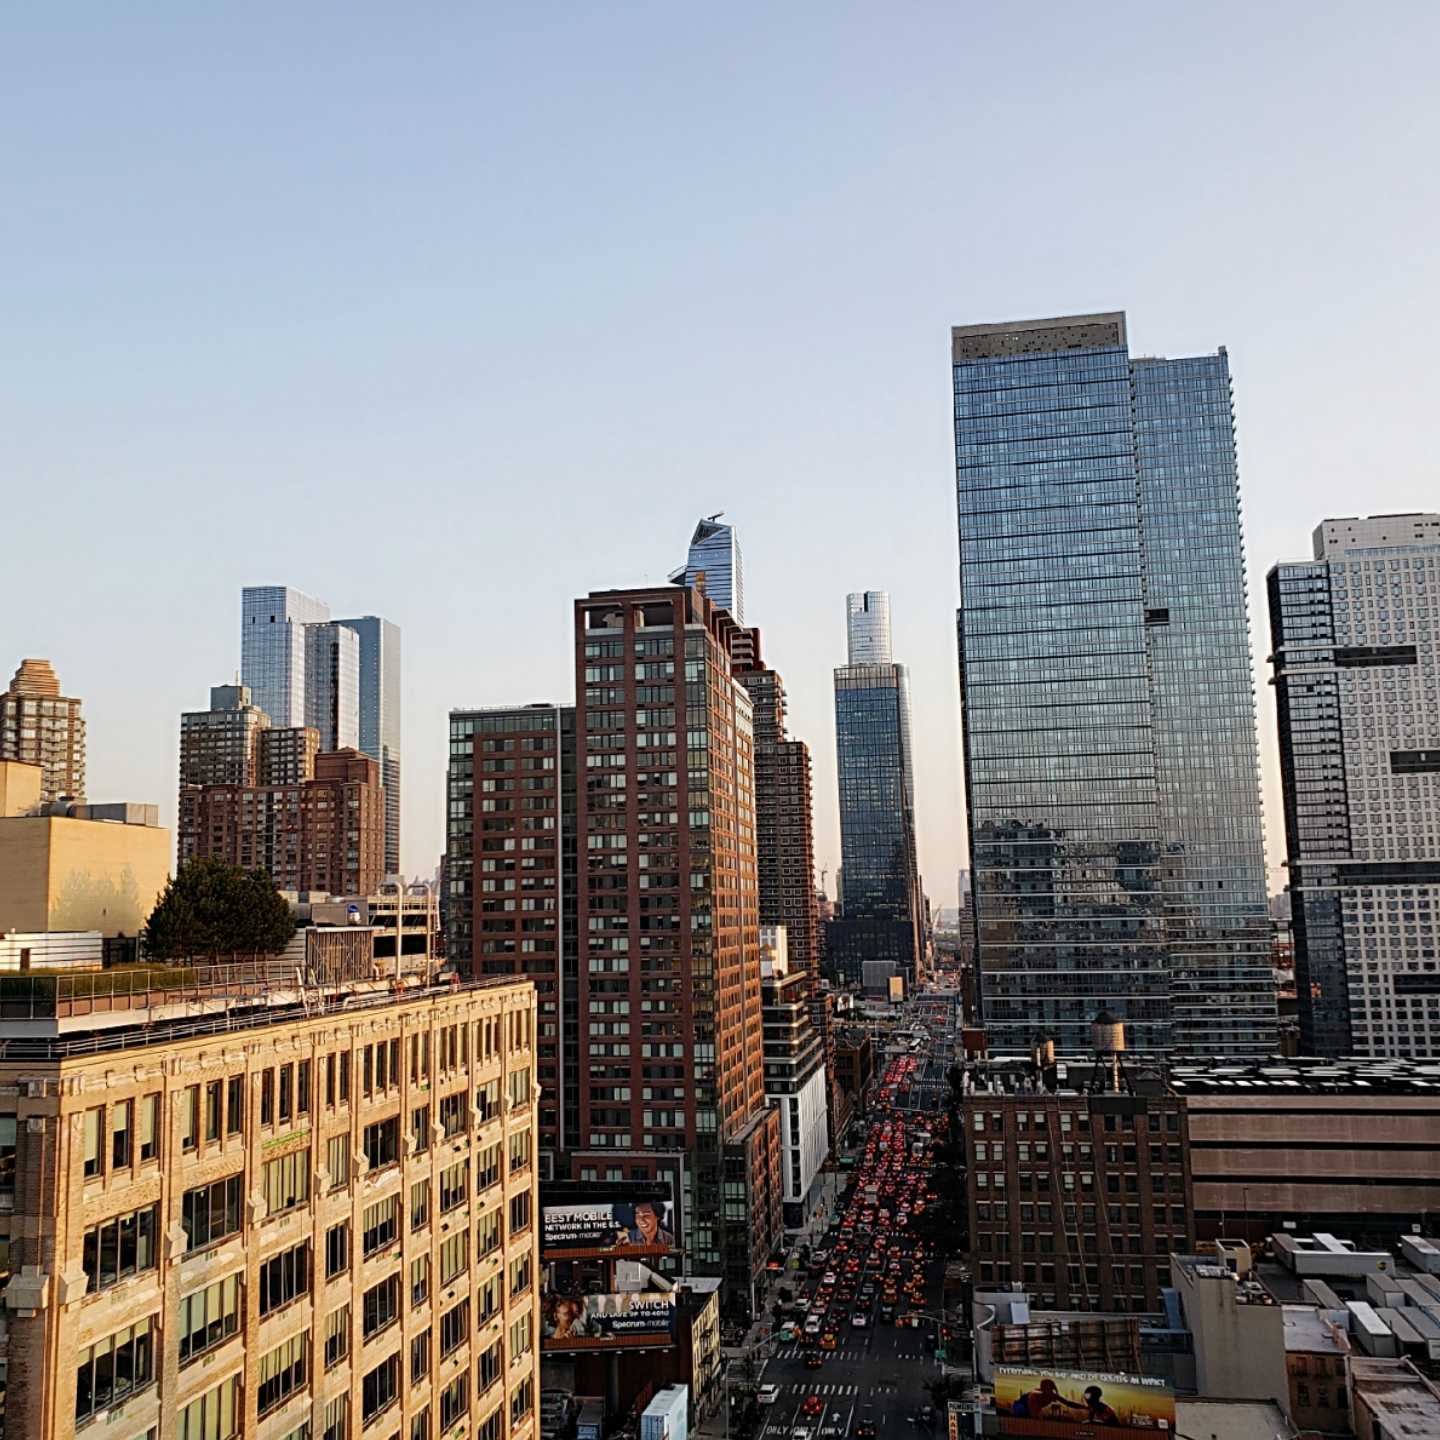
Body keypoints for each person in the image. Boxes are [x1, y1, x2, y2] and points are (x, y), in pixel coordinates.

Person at [1007, 1379, 1087, 1420]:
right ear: (1043, 1389)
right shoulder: (1035, 1395)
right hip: (1020, 1406)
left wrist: (1085, 1407)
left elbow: (1068, 1403)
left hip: (1030, 1408)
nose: (1048, 1391)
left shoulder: (1053, 1395)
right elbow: (1033, 1413)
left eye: (1050, 1389)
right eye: (1046, 1389)